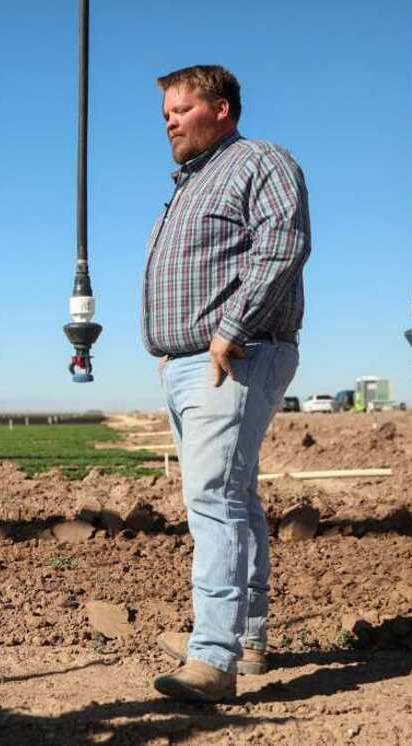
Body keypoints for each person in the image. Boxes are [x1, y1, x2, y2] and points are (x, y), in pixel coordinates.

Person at [141, 65, 311, 702]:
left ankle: (212, 659)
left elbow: (282, 244)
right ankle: (245, 638)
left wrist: (228, 330)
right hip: (191, 362)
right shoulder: (190, 181)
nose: (170, 121)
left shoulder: (259, 161)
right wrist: (172, 349)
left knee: (212, 498)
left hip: (236, 355)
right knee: (233, 496)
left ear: (223, 110)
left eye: (182, 109)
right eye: (166, 114)